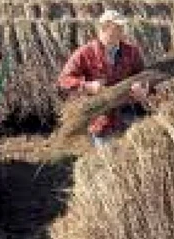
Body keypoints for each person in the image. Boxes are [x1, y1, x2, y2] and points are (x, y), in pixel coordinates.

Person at [58, 9, 150, 146]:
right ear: (105, 27)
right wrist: (88, 86)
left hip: (128, 116)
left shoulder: (131, 51)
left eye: (122, 27)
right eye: (117, 27)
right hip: (101, 120)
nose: (122, 30)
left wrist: (143, 90)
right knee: (108, 160)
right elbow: (64, 79)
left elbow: (143, 76)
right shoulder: (85, 53)